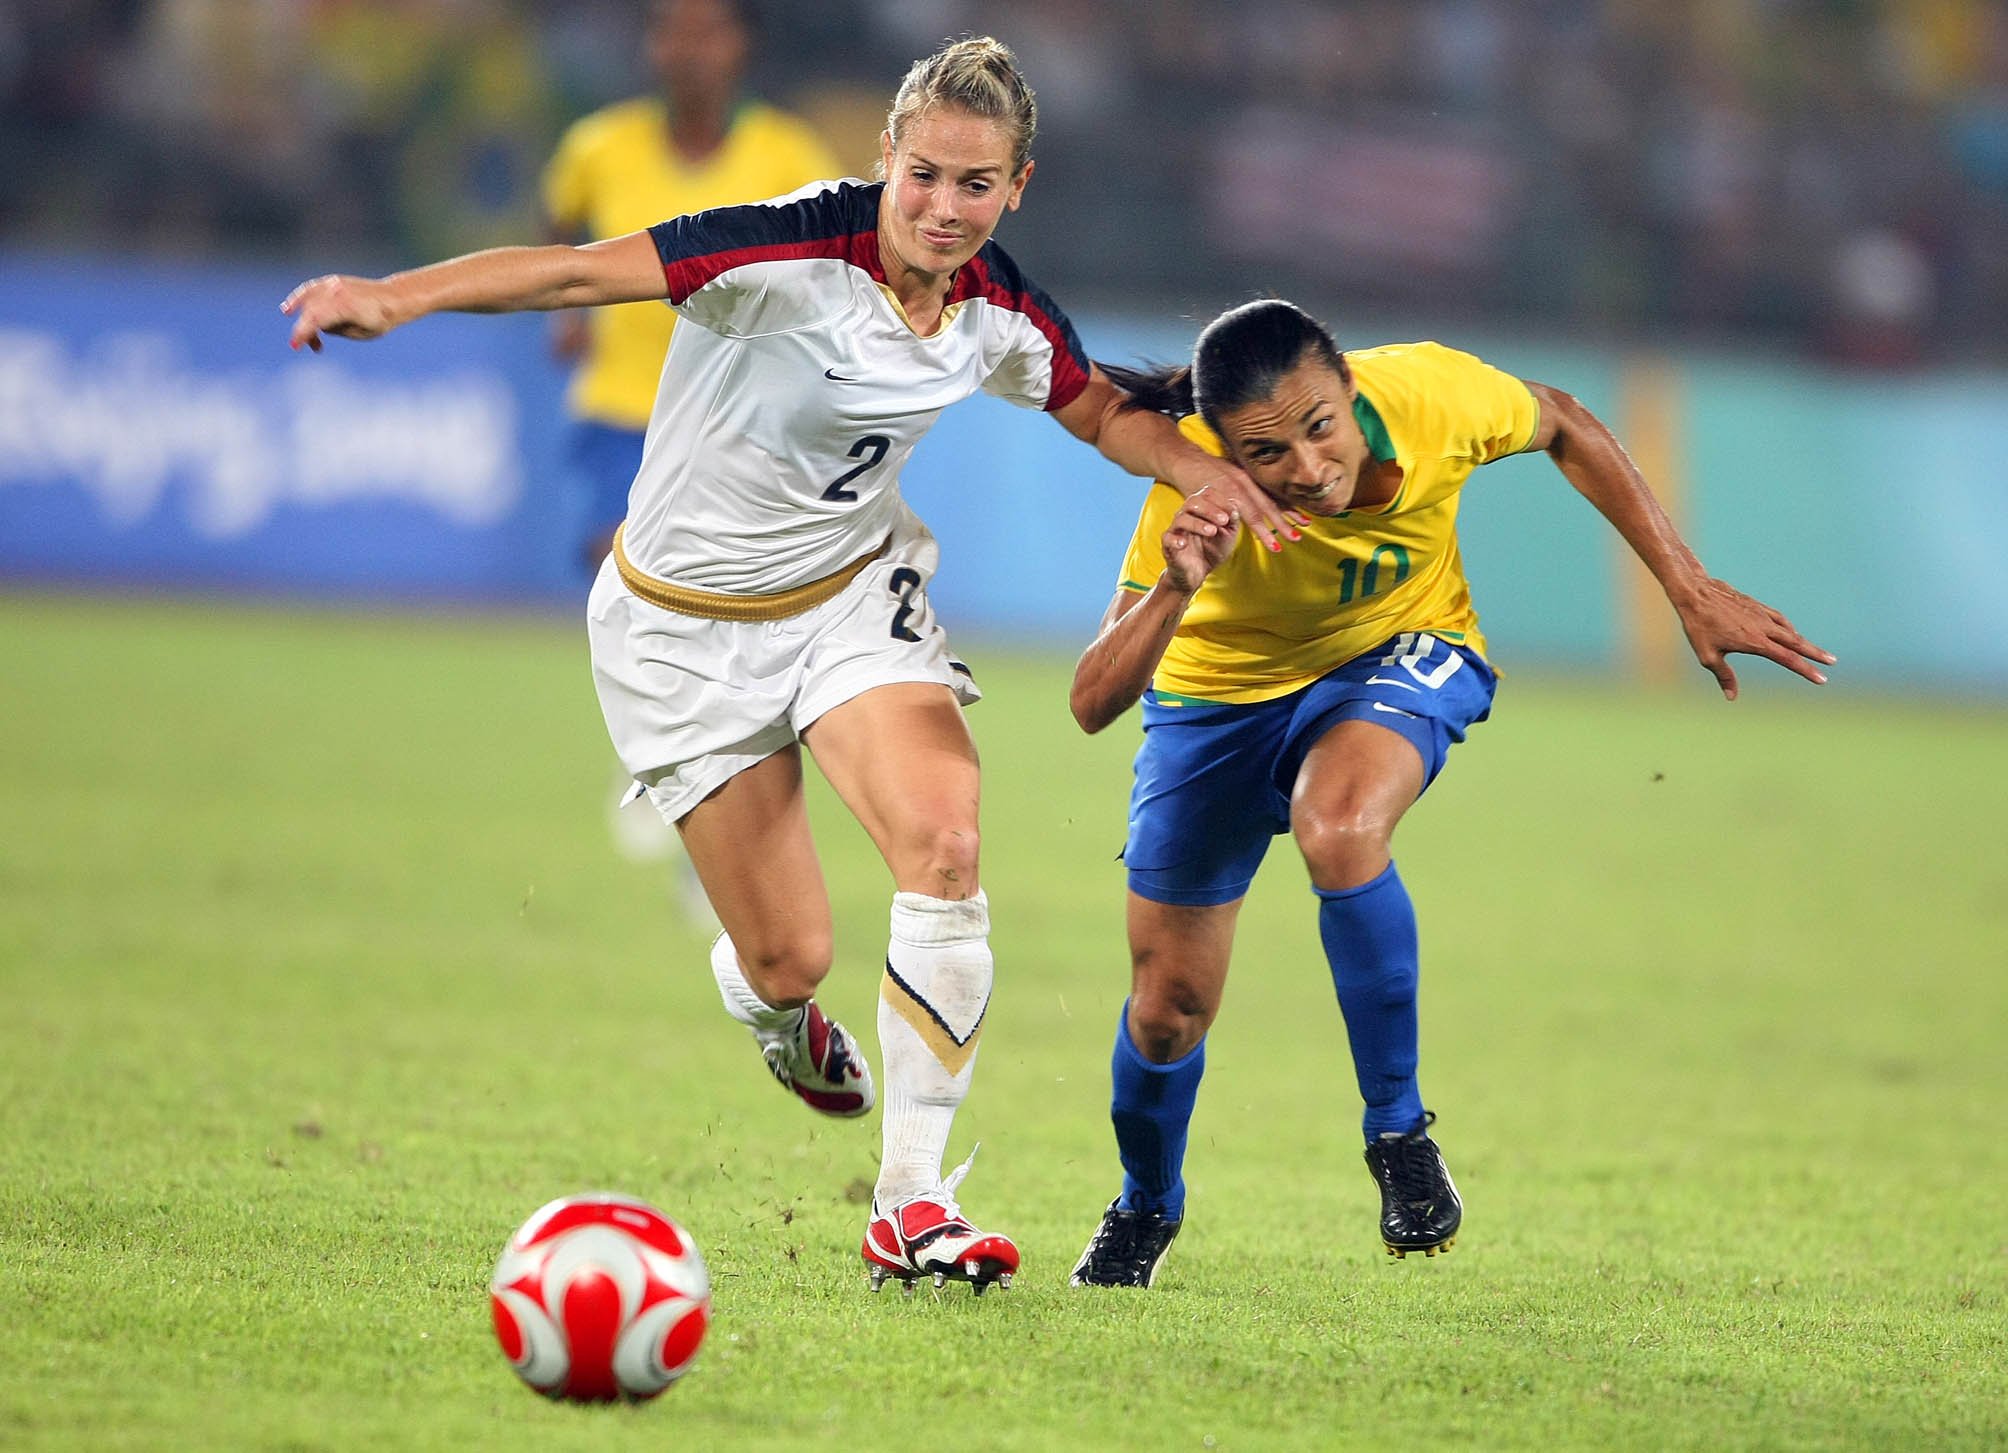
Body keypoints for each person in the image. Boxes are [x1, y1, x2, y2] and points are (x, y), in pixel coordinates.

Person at [283, 37, 1295, 1296]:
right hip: (679, 633)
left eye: (975, 185)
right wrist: (400, 294)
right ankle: (766, 1009)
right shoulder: (780, 251)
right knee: (790, 958)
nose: (942, 207)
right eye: (922, 174)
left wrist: (1206, 472)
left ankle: (911, 1204)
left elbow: (1091, 403)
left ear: (1015, 187)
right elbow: (574, 272)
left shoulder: (994, 301)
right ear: (885, 159)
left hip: (849, 604)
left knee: (946, 837)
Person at [1065, 299, 1834, 1288]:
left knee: (1338, 826)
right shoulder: (1193, 494)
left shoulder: (1430, 394)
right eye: (1265, 452)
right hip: (1215, 706)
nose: (1305, 467)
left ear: (1347, 385)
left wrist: (1685, 585)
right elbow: (1091, 702)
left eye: (1317, 426)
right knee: (1168, 1008)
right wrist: (1176, 588)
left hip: (1398, 651)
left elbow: (1561, 418)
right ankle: (1145, 1204)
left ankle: (1398, 1135)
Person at [541, 0, 838, 878]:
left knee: (717, 598)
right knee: (618, 568)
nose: (690, 48)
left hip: (733, 419)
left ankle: (704, 761)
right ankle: (659, 756)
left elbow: (837, 262)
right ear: (652, 45)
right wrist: (569, 320)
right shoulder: (598, 146)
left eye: (709, 30)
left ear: (739, 46)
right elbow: (564, 225)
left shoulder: (788, 155)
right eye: (673, 29)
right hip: (624, 405)